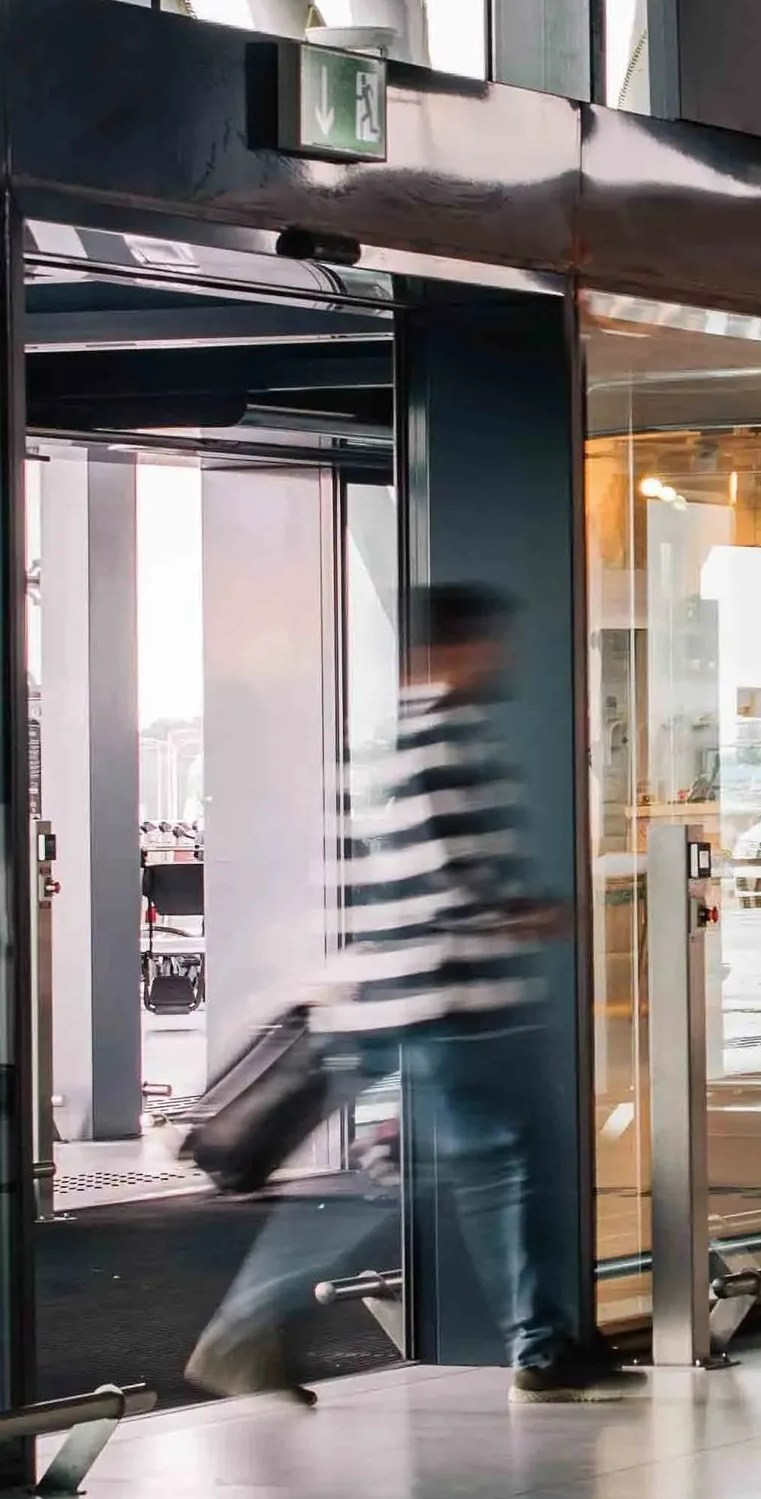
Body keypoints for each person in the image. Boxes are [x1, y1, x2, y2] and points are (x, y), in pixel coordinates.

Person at [187, 582, 617, 1407]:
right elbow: (458, 879)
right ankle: (538, 1345)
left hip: (411, 1000)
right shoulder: (441, 742)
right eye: (488, 644)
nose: (499, 658)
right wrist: (538, 913)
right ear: (453, 649)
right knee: (497, 1166)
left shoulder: (389, 744)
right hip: (453, 1004)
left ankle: (540, 1342)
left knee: (456, 1168)